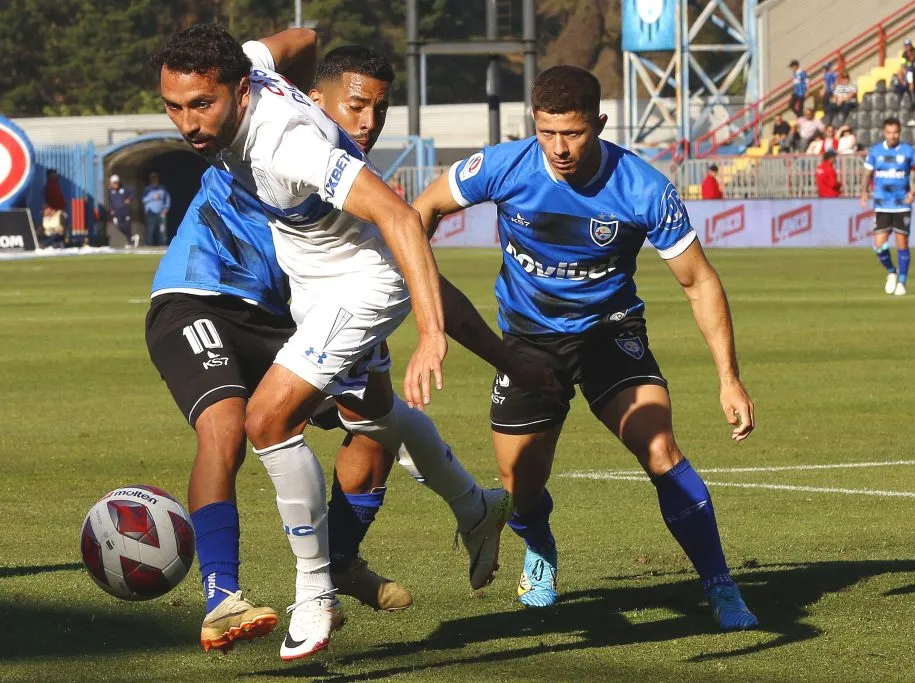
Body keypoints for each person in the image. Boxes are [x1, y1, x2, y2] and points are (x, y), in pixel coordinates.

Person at [151, 24, 545, 660]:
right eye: (174, 107)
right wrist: (305, 86)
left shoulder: (289, 145)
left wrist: (431, 335)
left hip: (361, 280)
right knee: (376, 419)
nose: (188, 123)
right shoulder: (248, 68)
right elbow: (301, 35)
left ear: (241, 93)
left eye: (203, 106)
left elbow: (397, 217)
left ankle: (315, 592)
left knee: (267, 419)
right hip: (310, 277)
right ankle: (476, 508)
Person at [412, 65, 758, 630]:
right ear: (534, 124)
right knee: (519, 484)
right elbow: (419, 213)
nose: (560, 148)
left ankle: (721, 585)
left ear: (597, 123)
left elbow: (698, 280)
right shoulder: (502, 165)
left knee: (661, 450)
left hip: (610, 333)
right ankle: (541, 546)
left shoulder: (643, 186)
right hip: (527, 340)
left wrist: (728, 377)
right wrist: (420, 289)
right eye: (548, 133)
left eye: (572, 133)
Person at [860, 118, 915, 297]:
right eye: (889, 132)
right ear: (883, 133)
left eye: (895, 132)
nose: (892, 136)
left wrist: (913, 192)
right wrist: (864, 192)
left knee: (901, 243)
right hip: (882, 204)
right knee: (879, 245)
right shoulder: (875, 152)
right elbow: (867, 173)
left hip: (901, 205)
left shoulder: (908, 151)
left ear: (900, 132)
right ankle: (891, 271)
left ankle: (902, 282)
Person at [142, 171, 172, 246]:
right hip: (151, 212)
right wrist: (152, 197)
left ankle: (163, 244)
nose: (154, 179)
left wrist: (166, 208)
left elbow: (167, 198)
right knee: (150, 230)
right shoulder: (147, 189)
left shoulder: (162, 188)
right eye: (152, 178)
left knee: (162, 230)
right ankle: (149, 245)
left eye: (155, 178)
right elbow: (144, 200)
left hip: (161, 212)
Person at [108, 174, 138, 247]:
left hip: (125, 211)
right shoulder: (110, 191)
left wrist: (129, 199)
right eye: (113, 183)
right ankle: (132, 236)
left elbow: (133, 191)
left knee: (127, 226)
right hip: (117, 212)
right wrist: (111, 209)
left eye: (115, 183)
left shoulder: (124, 188)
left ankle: (130, 242)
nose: (114, 185)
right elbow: (110, 201)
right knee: (119, 226)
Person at [41, 168, 66, 248]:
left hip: (57, 210)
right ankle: (48, 244)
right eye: (53, 174)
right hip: (54, 211)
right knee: (55, 229)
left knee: (60, 229)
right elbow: (50, 199)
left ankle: (58, 243)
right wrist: (52, 209)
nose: (55, 175)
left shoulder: (54, 184)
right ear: (49, 175)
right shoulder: (50, 185)